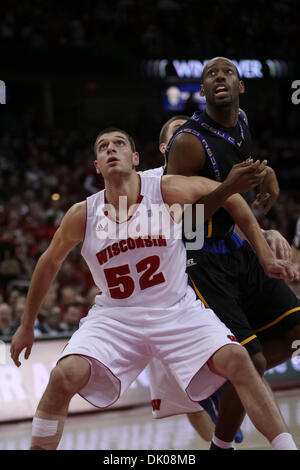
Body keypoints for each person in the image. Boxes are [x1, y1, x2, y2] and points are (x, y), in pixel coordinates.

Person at [10, 128, 298, 451]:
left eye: (119, 144)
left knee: (240, 360)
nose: (110, 149)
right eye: (102, 147)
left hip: (176, 309)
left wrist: (263, 248)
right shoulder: (83, 214)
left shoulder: (164, 189)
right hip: (116, 319)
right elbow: (48, 263)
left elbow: (229, 196)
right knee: (63, 375)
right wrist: (26, 324)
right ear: (96, 166)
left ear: (135, 159)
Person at [164, 56, 300, 450]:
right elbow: (180, 224)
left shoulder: (241, 122)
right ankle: (221, 445)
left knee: (295, 333)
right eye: (210, 74)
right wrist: (227, 189)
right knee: (252, 363)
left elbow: (239, 166)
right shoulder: (188, 143)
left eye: (227, 72)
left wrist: (265, 171)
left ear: (241, 87)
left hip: (235, 246)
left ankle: (223, 382)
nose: (219, 77)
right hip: (200, 257)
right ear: (202, 91)